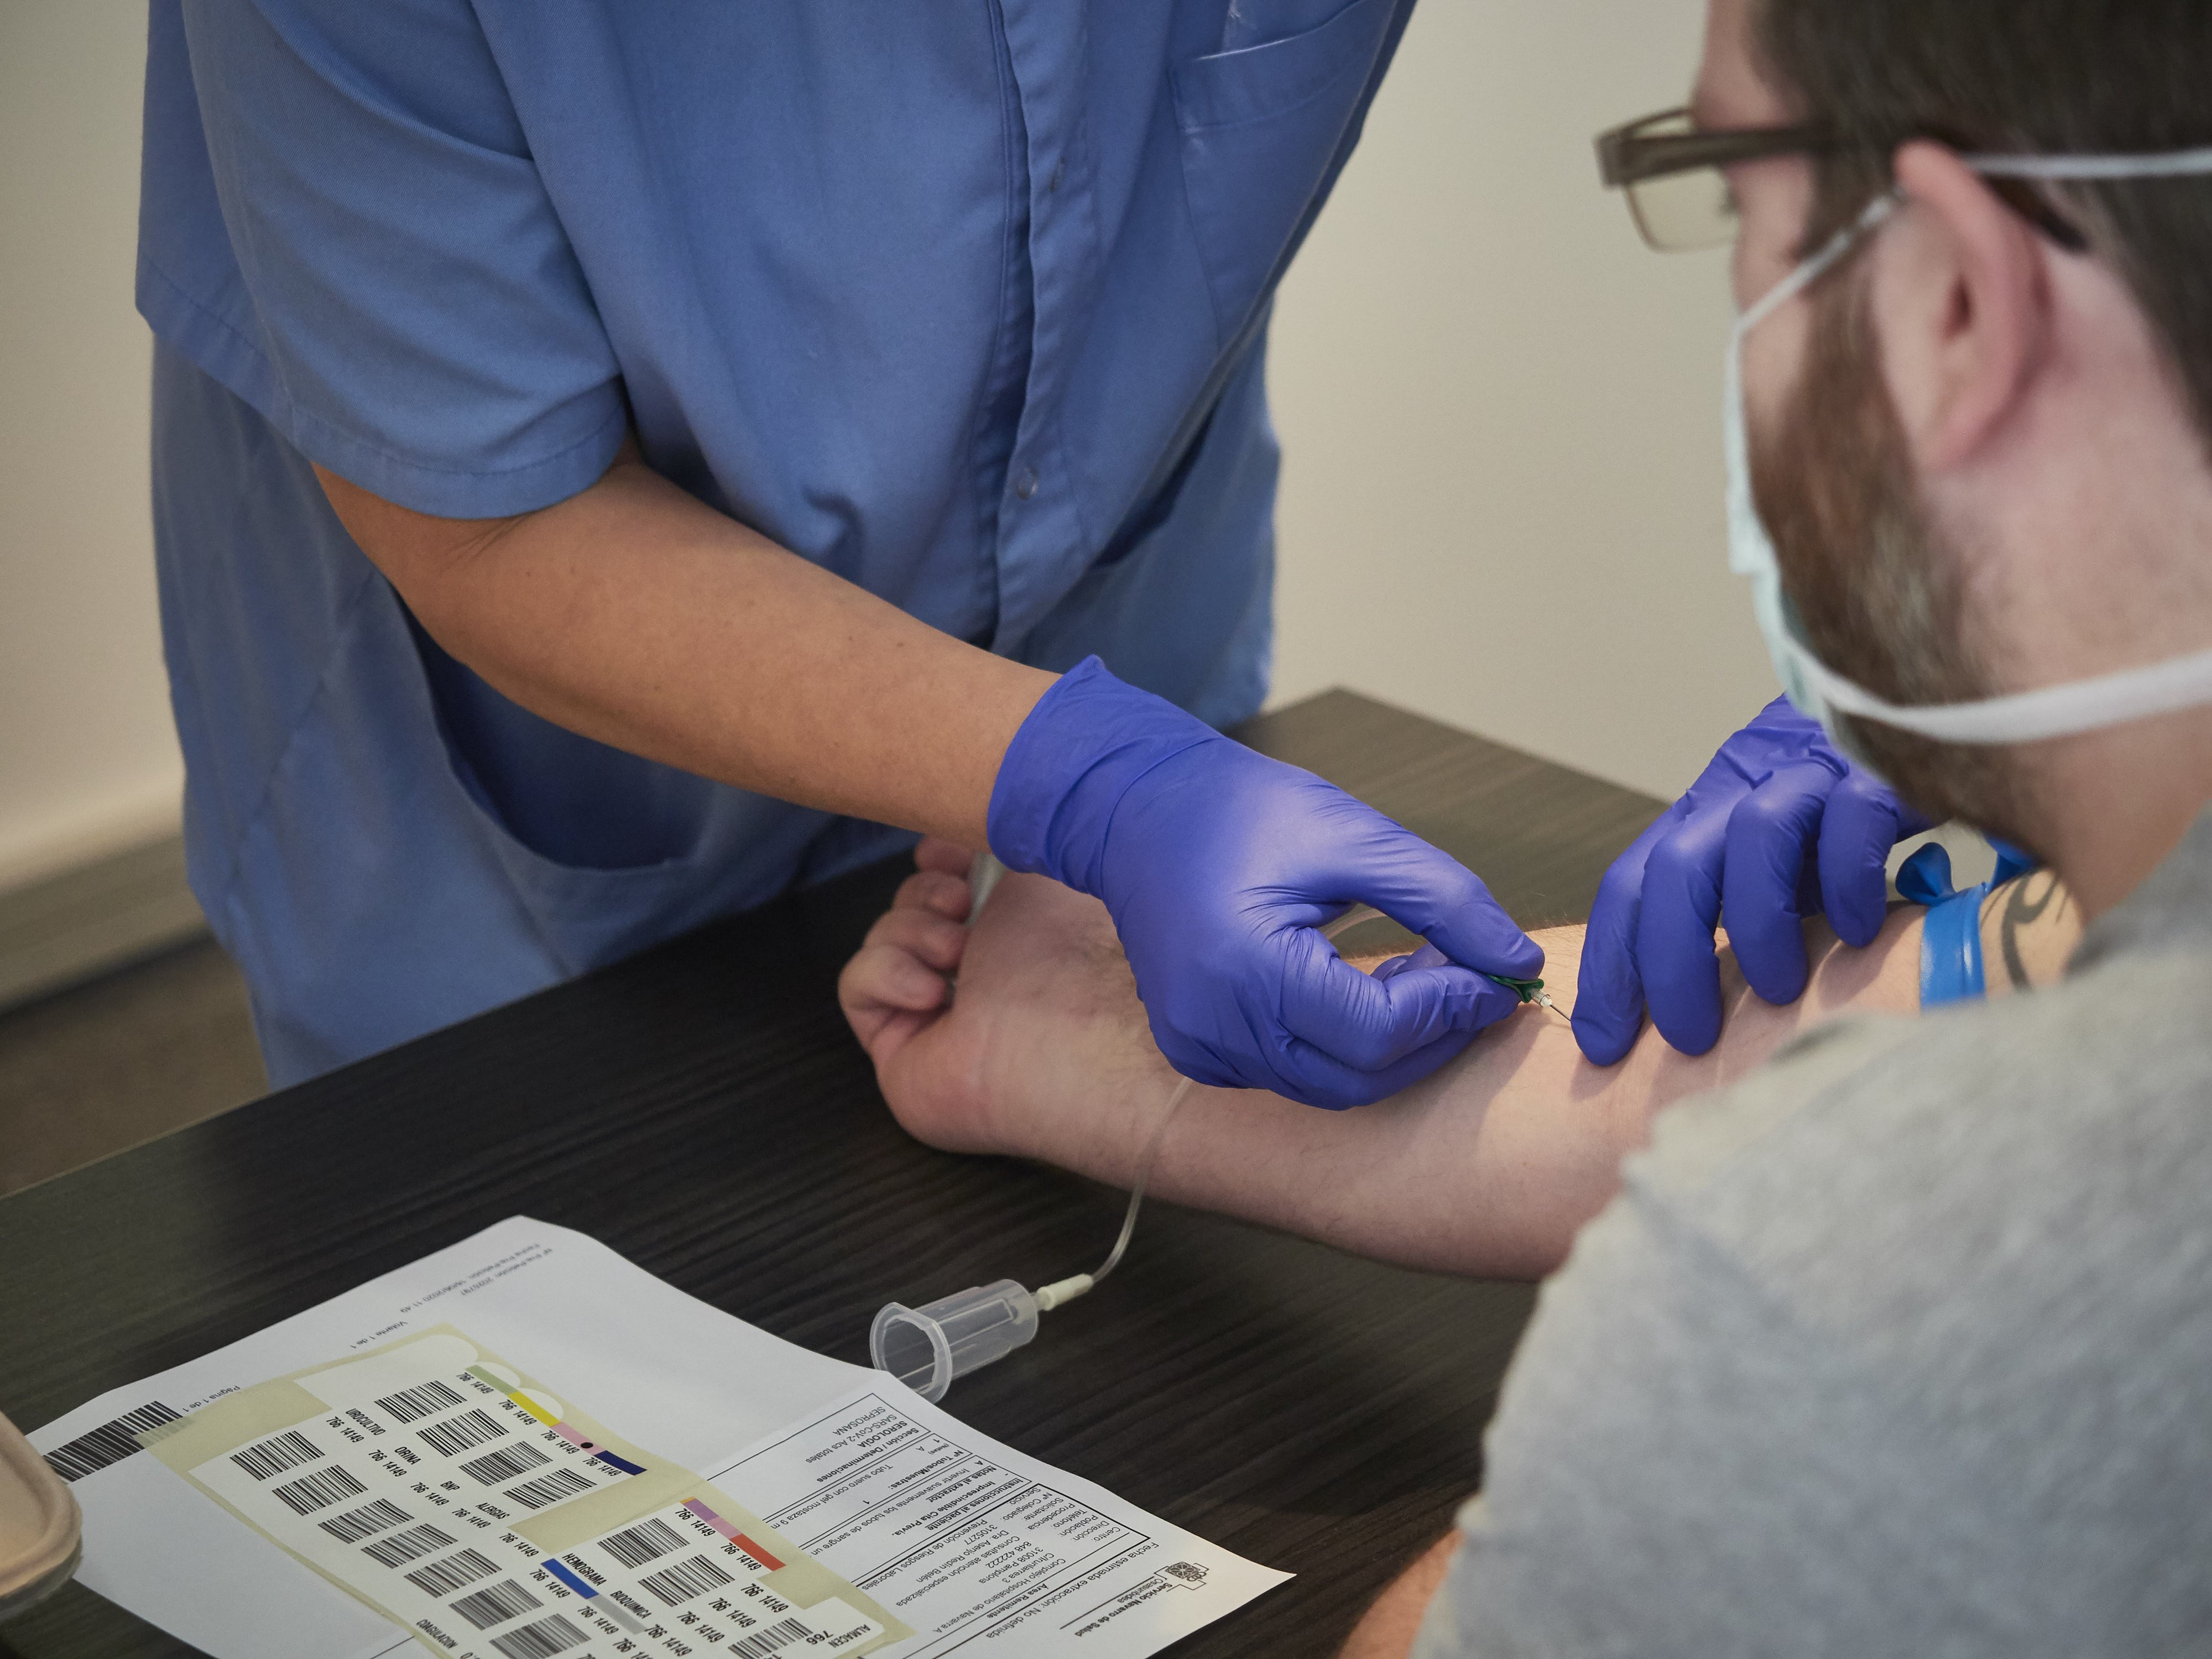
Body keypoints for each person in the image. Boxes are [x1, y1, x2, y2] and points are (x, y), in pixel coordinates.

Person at [843, 0, 2212, 1646]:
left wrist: (1708, 1380)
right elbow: (1959, 1008)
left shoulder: (1863, 1299)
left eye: (1728, 183)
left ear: (1962, 306)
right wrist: (1109, 1072)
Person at [142, 0, 1918, 1095]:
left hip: (1106, 637)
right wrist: (1095, 787)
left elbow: (1963, 99)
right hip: (516, 801)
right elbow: (499, 516)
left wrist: (1919, 652)